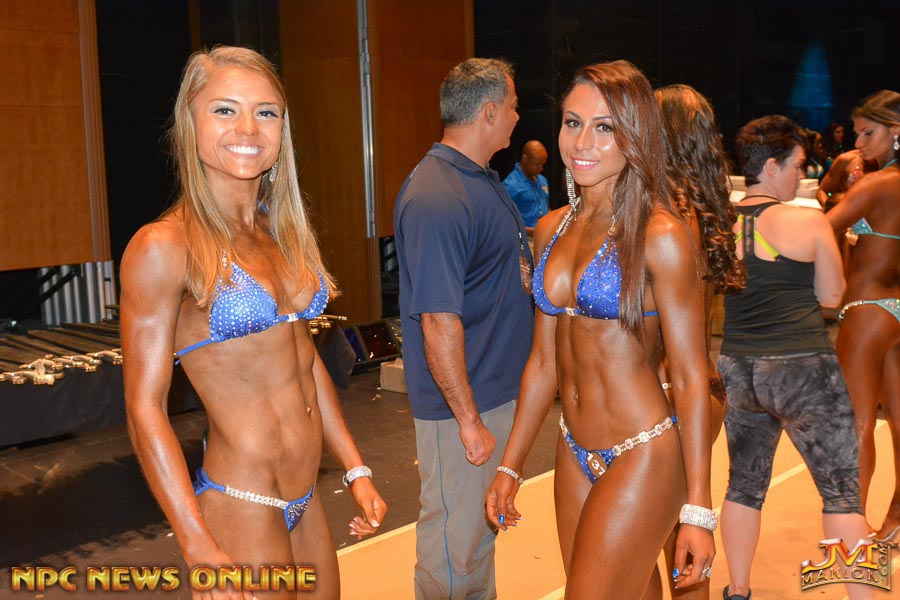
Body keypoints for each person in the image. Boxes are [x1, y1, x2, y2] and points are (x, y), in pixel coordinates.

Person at [120, 46, 386, 600]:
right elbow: (145, 408)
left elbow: (303, 363)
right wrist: (195, 541)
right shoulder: (163, 246)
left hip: (307, 494)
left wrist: (355, 467)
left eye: (266, 112)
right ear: (189, 122)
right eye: (225, 110)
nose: (248, 128)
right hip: (241, 501)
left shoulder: (281, 233)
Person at [485, 60, 715, 598]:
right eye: (572, 122)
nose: (582, 142)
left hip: (643, 450)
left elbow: (690, 376)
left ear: (635, 135)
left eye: (604, 127)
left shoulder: (660, 235)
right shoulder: (550, 228)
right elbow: (543, 361)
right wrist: (511, 465)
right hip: (572, 448)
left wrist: (698, 508)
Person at [393, 57, 533, 600]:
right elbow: (437, 318)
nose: (518, 116)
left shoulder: (479, 180)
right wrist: (468, 420)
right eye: (513, 107)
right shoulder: (438, 195)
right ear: (490, 112)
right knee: (455, 550)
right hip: (464, 408)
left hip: (491, 393)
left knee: (476, 540)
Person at [718, 115, 871, 600]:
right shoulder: (807, 220)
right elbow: (832, 296)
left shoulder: (719, 225)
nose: (800, 176)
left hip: (739, 366)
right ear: (771, 166)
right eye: (797, 166)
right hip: (802, 367)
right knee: (842, 492)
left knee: (743, 485)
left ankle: (738, 589)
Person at [653, 83, 746, 600]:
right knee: (678, 544)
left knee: (671, 544)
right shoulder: (707, 208)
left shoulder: (666, 215)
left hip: (675, 393)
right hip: (703, 388)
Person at [826, 90, 900, 544]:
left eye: (868, 133)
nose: (859, 142)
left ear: (896, 131)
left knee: (854, 422)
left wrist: (760, 228)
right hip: (896, 311)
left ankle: (849, 534)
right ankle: (896, 519)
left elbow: (820, 229)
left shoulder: (876, 185)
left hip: (867, 309)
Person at [503, 140, 550, 234]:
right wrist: (530, 231)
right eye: (537, 165)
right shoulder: (511, 185)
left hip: (544, 234)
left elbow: (546, 206)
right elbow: (503, 220)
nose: (541, 168)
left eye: (543, 164)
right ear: (525, 159)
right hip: (525, 237)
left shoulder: (542, 180)